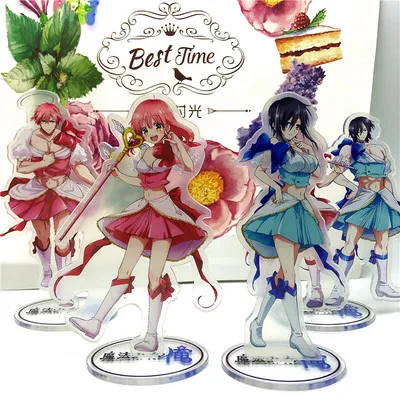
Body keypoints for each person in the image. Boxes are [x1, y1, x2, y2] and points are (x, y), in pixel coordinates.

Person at [53, 97, 217, 352]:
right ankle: (96, 322)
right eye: (145, 129)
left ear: (166, 124)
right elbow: (142, 182)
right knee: (124, 268)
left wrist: (177, 143)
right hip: (144, 210)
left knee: (154, 275)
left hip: (163, 215)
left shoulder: (169, 150)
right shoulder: (146, 151)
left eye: (157, 126)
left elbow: (187, 166)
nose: (152, 132)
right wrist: (117, 173)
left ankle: (151, 336)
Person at [239, 93, 345, 358]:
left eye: (298, 125)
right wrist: (275, 187)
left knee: (284, 274)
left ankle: (257, 323)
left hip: (302, 209)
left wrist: (337, 172)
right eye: (290, 124)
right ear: (278, 123)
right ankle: (297, 336)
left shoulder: (303, 147)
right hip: (283, 210)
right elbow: (258, 171)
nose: (295, 130)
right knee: (290, 274)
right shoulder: (275, 148)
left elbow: (318, 180)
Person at [1, 101, 96, 287]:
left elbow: (78, 166)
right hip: (38, 192)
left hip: (63, 191)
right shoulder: (28, 137)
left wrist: (94, 183)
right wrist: (42, 163)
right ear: (38, 121)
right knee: (43, 236)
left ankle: (61, 277)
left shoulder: (68, 139)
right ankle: (46, 271)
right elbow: (21, 166)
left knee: (62, 237)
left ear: (57, 121)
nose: (48, 125)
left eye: (51, 121)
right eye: (44, 121)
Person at [318, 113, 400, 303]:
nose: (361, 133)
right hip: (362, 199)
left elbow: (387, 178)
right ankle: (339, 289)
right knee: (350, 243)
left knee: (383, 242)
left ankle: (383, 284)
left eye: (364, 130)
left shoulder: (380, 148)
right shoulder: (349, 148)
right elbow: (337, 173)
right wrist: (350, 186)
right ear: (353, 131)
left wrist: (393, 200)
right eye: (358, 130)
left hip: (382, 199)